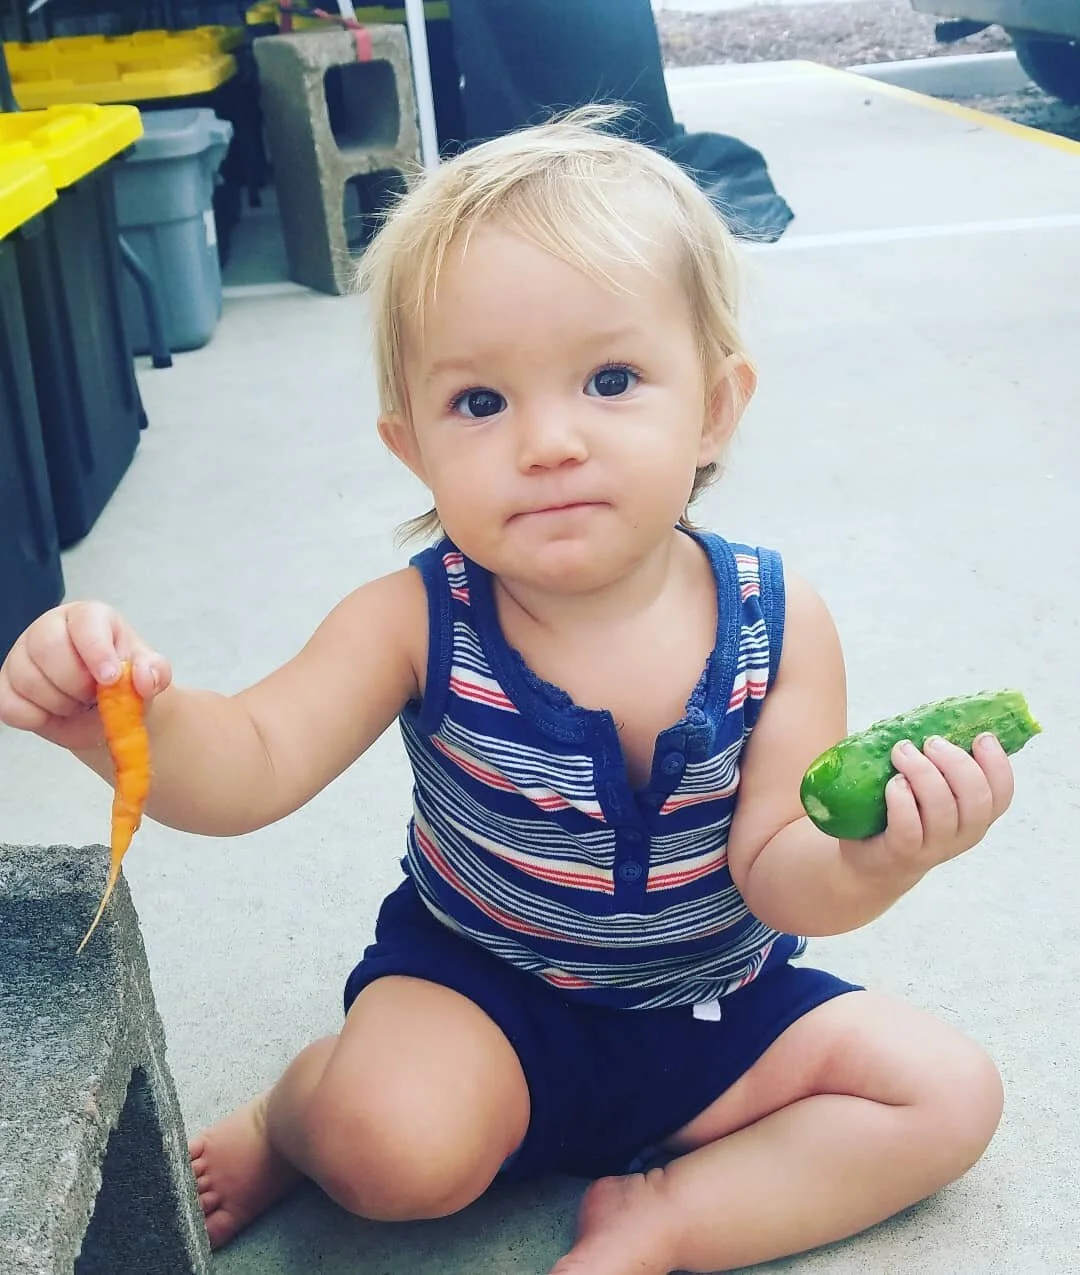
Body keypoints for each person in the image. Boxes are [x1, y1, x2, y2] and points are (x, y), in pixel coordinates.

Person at [0, 108, 1014, 1275]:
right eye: (480, 403)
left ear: (716, 407)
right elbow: (256, 762)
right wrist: (131, 720)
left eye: (612, 379)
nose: (547, 441)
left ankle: (671, 1216)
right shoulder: (417, 619)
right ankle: (295, 1110)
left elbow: (779, 874)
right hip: (483, 992)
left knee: (946, 1095)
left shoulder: (781, 622)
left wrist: (879, 862)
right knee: (388, 1157)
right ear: (412, 447)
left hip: (713, 1011)